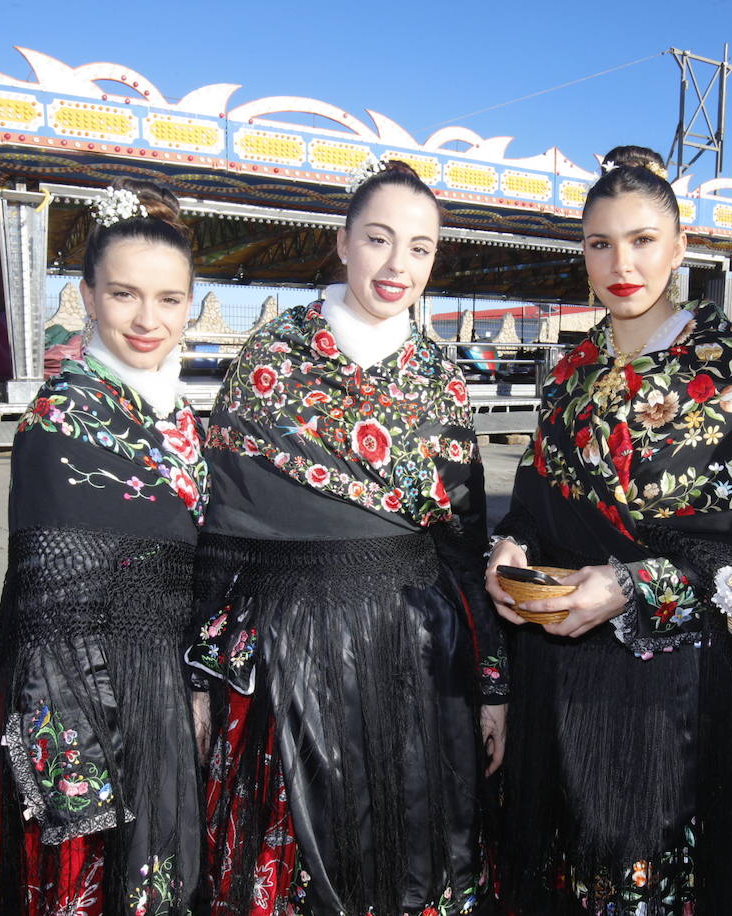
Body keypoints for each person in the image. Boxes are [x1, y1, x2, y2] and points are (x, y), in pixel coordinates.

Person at [484, 145, 732, 915]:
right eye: (599, 243)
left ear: (681, 246)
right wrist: (512, 545)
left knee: (645, 877)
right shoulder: (568, 372)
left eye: (643, 240)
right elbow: (534, 498)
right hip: (557, 667)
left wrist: (631, 584)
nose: (619, 263)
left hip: (670, 681)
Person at [191, 158, 506, 915]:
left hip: (416, 665)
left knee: (408, 866)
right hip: (286, 665)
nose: (398, 265)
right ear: (341, 242)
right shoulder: (271, 356)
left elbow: (464, 544)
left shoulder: (440, 375)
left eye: (421, 248)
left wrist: (494, 685)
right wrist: (200, 677)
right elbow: (223, 528)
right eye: (378, 239)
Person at [0, 179, 210, 914]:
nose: (148, 320)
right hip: (88, 710)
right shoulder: (59, 422)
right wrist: (87, 774)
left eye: (169, 299)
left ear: (190, 304)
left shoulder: (183, 418)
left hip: (164, 691)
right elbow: (52, 614)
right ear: (87, 297)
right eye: (124, 295)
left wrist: (195, 684)